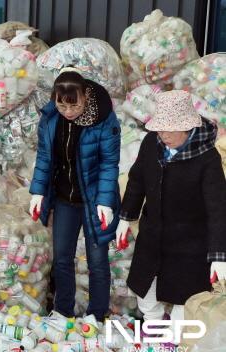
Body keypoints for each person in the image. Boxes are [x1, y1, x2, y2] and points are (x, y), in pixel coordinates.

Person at [116, 90, 226, 324]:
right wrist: (126, 217)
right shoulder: (151, 143)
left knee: (184, 298)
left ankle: (175, 340)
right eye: (160, 128)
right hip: (153, 236)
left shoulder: (207, 158)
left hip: (189, 243)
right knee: (146, 293)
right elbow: (137, 180)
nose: (162, 134)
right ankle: (153, 328)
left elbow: (218, 209)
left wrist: (219, 255)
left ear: (186, 128)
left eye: (168, 129)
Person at [29, 67, 121, 321]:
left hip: (95, 200)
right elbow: (45, 158)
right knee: (62, 258)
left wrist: (105, 201)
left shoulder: (104, 120)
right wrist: (37, 192)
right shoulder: (50, 119)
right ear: (54, 100)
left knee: (97, 261)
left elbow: (109, 164)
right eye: (62, 107)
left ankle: (97, 313)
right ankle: (62, 310)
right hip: (64, 199)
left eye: (74, 106)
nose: (68, 112)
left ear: (86, 97)